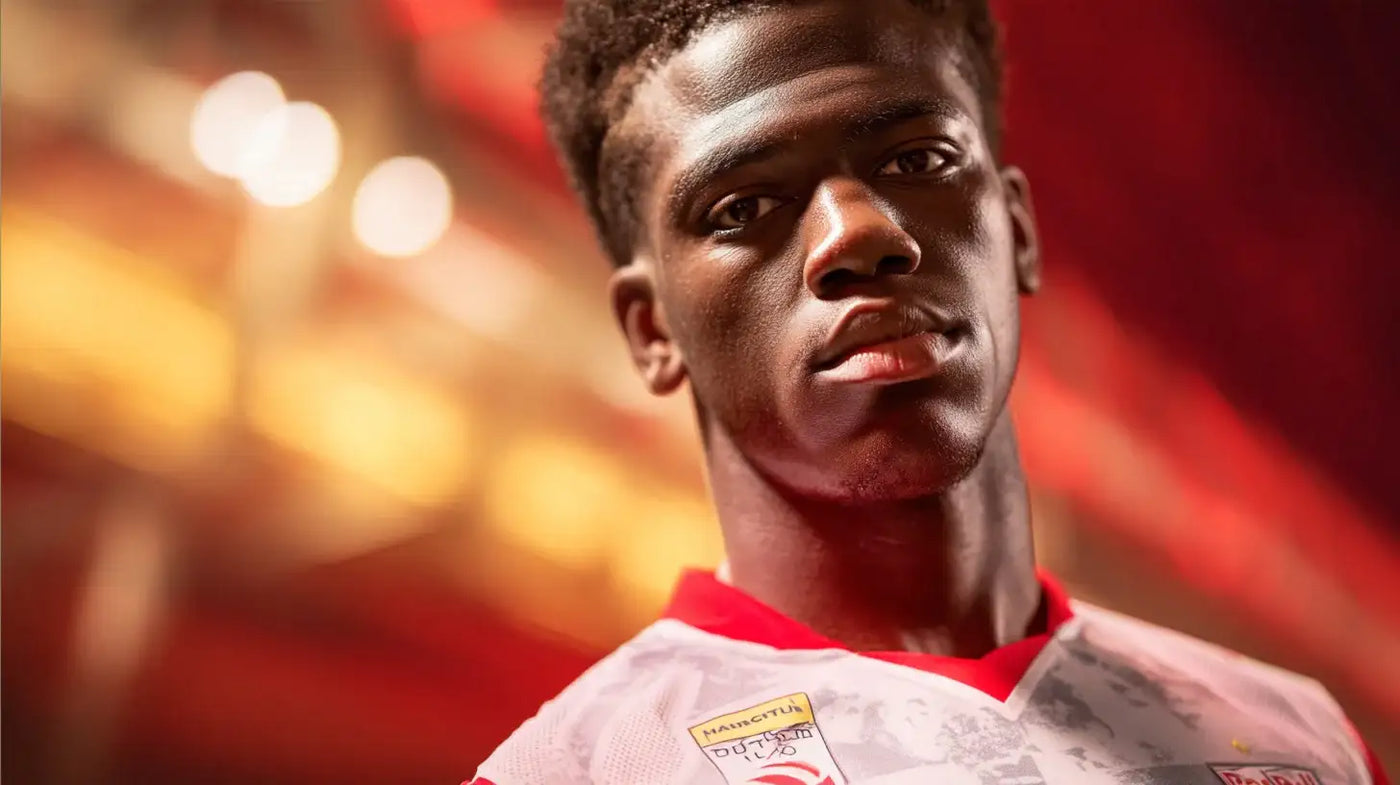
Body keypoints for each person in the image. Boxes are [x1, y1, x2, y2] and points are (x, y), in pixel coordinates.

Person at [470, 1, 1391, 783]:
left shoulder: (1294, 736)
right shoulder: (585, 766)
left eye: (917, 161)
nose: (858, 233)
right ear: (652, 328)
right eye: (743, 207)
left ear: (1019, 229)